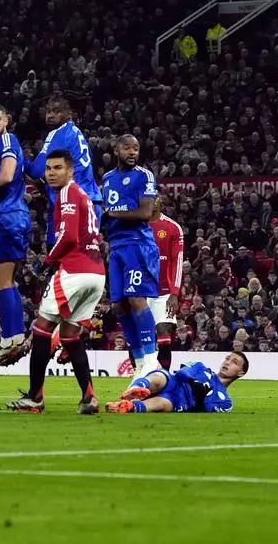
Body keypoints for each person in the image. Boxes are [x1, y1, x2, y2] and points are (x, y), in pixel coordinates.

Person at [6, 151, 103, 415]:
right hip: (96, 274)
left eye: (58, 168)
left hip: (74, 269)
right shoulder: (83, 194)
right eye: (48, 168)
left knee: (42, 328)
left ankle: (35, 397)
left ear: (70, 171)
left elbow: (69, 236)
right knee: (71, 336)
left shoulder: (68, 193)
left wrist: (49, 260)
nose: (51, 173)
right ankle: (89, 398)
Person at [101, 134, 161, 377]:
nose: (132, 152)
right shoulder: (106, 179)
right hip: (116, 247)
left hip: (137, 244)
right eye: (127, 148)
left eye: (136, 148)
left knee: (137, 299)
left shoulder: (144, 176)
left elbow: (145, 211)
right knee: (118, 305)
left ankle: (151, 358)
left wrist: (112, 214)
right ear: (117, 150)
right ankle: (138, 361)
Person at [0, 103, 32, 365]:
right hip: (8, 217)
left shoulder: (7, 140)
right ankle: (12, 338)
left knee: (2, 282)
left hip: (7, 217)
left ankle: (12, 339)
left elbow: (8, 175)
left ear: (7, 120)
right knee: (5, 282)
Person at [27, 96, 101, 248]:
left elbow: (36, 171)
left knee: (61, 259)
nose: (51, 115)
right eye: (48, 111)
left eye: (56, 111)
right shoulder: (77, 134)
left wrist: (16, 156)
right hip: (91, 202)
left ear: (68, 114)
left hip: (72, 205)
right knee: (86, 260)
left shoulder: (59, 133)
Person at [106, 354, 248, 413]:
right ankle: (137, 388)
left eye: (234, 362)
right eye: (227, 358)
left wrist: (200, 398)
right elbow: (181, 373)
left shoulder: (226, 402)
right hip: (173, 383)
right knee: (159, 377)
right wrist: (193, 382)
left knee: (161, 404)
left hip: (179, 401)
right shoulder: (201, 367)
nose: (227, 362)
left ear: (241, 373)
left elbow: (207, 410)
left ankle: (127, 407)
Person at [149, 194, 184, 370]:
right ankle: (138, 375)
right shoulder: (137, 225)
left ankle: (164, 376)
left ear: (161, 202)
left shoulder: (172, 227)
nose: (154, 201)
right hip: (140, 290)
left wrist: (174, 293)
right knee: (140, 336)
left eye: (156, 198)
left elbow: (177, 261)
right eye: (150, 198)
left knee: (163, 330)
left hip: (163, 292)